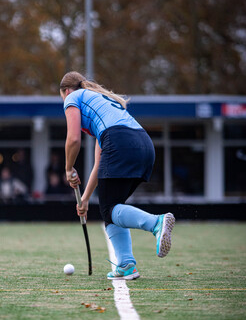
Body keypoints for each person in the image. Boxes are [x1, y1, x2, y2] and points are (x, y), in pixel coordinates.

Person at [59, 71, 175, 280]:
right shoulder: (101, 105)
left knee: (110, 209)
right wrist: (84, 199)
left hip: (120, 142)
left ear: (66, 91)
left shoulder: (72, 98)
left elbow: (73, 139)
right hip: (144, 144)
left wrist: (68, 168)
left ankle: (156, 223)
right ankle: (125, 265)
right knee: (112, 207)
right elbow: (99, 164)